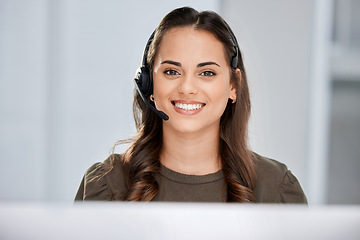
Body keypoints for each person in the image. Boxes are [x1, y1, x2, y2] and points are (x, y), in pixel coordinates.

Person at [75, 7, 307, 203]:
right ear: (148, 85)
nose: (187, 88)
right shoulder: (105, 184)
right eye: (171, 71)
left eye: (206, 72)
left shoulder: (277, 189)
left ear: (233, 87)